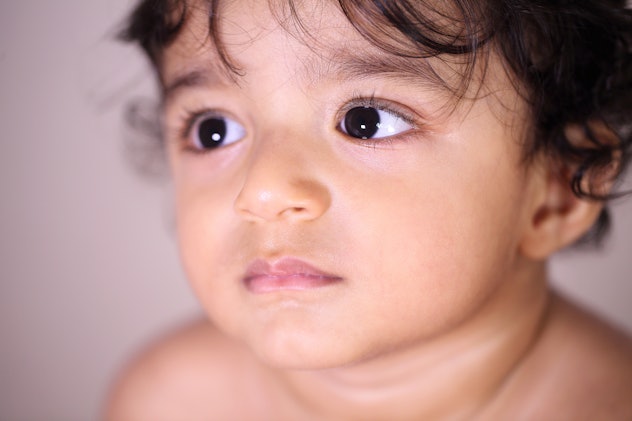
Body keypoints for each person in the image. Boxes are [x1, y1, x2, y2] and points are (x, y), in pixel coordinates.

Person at [105, 0, 632, 419]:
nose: (261, 191)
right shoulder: (172, 401)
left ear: (557, 192)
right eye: (213, 130)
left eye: (367, 121)